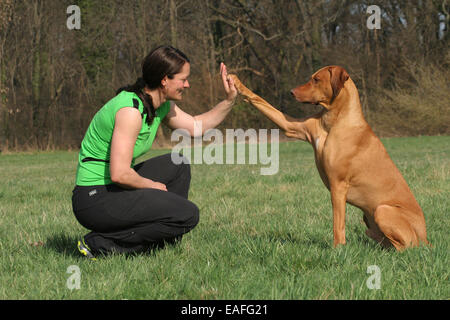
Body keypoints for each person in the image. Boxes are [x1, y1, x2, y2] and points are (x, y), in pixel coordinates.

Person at [72, 45, 237, 259]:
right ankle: (100, 244)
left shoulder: (160, 106)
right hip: (93, 199)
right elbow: (120, 174)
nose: (187, 84)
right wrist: (153, 186)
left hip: (112, 188)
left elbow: (196, 127)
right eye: (183, 79)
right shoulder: (131, 110)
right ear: (164, 80)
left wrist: (229, 100)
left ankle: (165, 236)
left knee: (177, 164)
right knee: (189, 214)